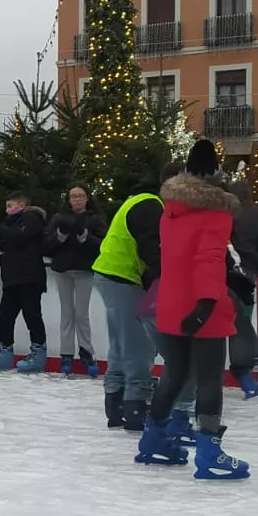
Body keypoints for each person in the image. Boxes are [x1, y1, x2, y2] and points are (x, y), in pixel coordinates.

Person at [134, 140, 250, 480]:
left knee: (176, 371)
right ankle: (210, 453)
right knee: (210, 378)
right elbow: (209, 261)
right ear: (216, 175)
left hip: (170, 302)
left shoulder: (171, 209)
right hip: (203, 303)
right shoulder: (215, 212)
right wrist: (207, 303)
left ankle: (153, 439)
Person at [92, 169, 169, 430]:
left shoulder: (139, 199)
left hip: (111, 273)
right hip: (121, 275)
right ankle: (136, 407)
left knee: (121, 343)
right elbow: (151, 248)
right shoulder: (150, 205)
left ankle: (115, 405)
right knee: (138, 344)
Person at [0, 192, 49, 373]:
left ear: (21, 205)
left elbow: (18, 238)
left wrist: (1, 229)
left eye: (10, 206)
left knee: (32, 316)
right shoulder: (11, 224)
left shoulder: (31, 219)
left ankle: (38, 354)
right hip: (13, 278)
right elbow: (13, 248)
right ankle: (5, 352)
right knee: (5, 316)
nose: (6, 210)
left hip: (29, 278)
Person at [44, 184, 106, 377]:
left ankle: (87, 352)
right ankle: (67, 354)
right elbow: (45, 245)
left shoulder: (95, 219)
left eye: (80, 196)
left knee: (81, 313)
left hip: (84, 270)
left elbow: (104, 244)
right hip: (63, 270)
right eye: (73, 196)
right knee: (66, 312)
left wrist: (86, 239)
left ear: (87, 198)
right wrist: (59, 238)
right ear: (69, 199)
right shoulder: (59, 218)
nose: (77, 199)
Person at [226, 180, 258, 398]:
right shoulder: (257, 215)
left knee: (223, 327)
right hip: (245, 280)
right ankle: (244, 374)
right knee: (241, 325)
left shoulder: (223, 214)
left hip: (221, 277)